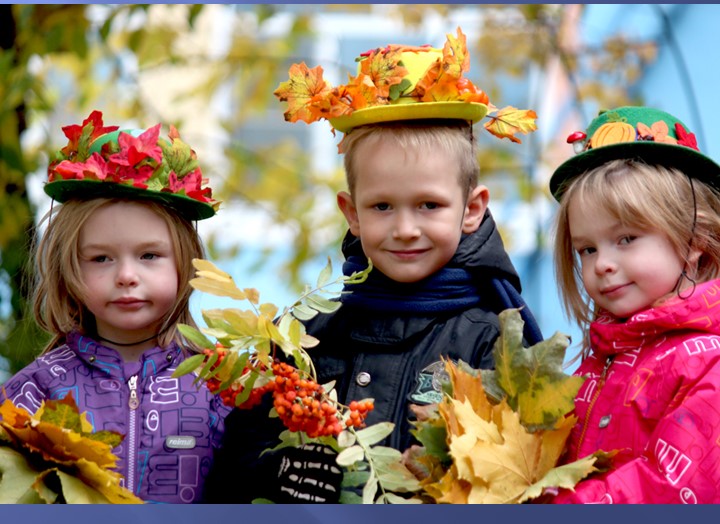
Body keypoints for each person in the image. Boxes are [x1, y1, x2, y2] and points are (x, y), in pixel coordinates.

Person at [203, 28, 542, 503]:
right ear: (352, 212)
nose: (405, 228)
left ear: (471, 209)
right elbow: (234, 458)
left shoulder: (493, 336)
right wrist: (274, 471)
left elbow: (527, 472)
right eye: (382, 206)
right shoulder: (307, 332)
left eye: (428, 205)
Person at [0, 111, 230, 504]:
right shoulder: (35, 391)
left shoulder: (220, 387)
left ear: (186, 261)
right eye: (101, 259)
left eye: (149, 255)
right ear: (67, 267)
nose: (126, 275)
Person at [546, 105, 720, 503]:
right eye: (587, 249)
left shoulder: (707, 360)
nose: (603, 264)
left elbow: (674, 489)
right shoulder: (603, 355)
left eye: (626, 239)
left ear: (694, 238)